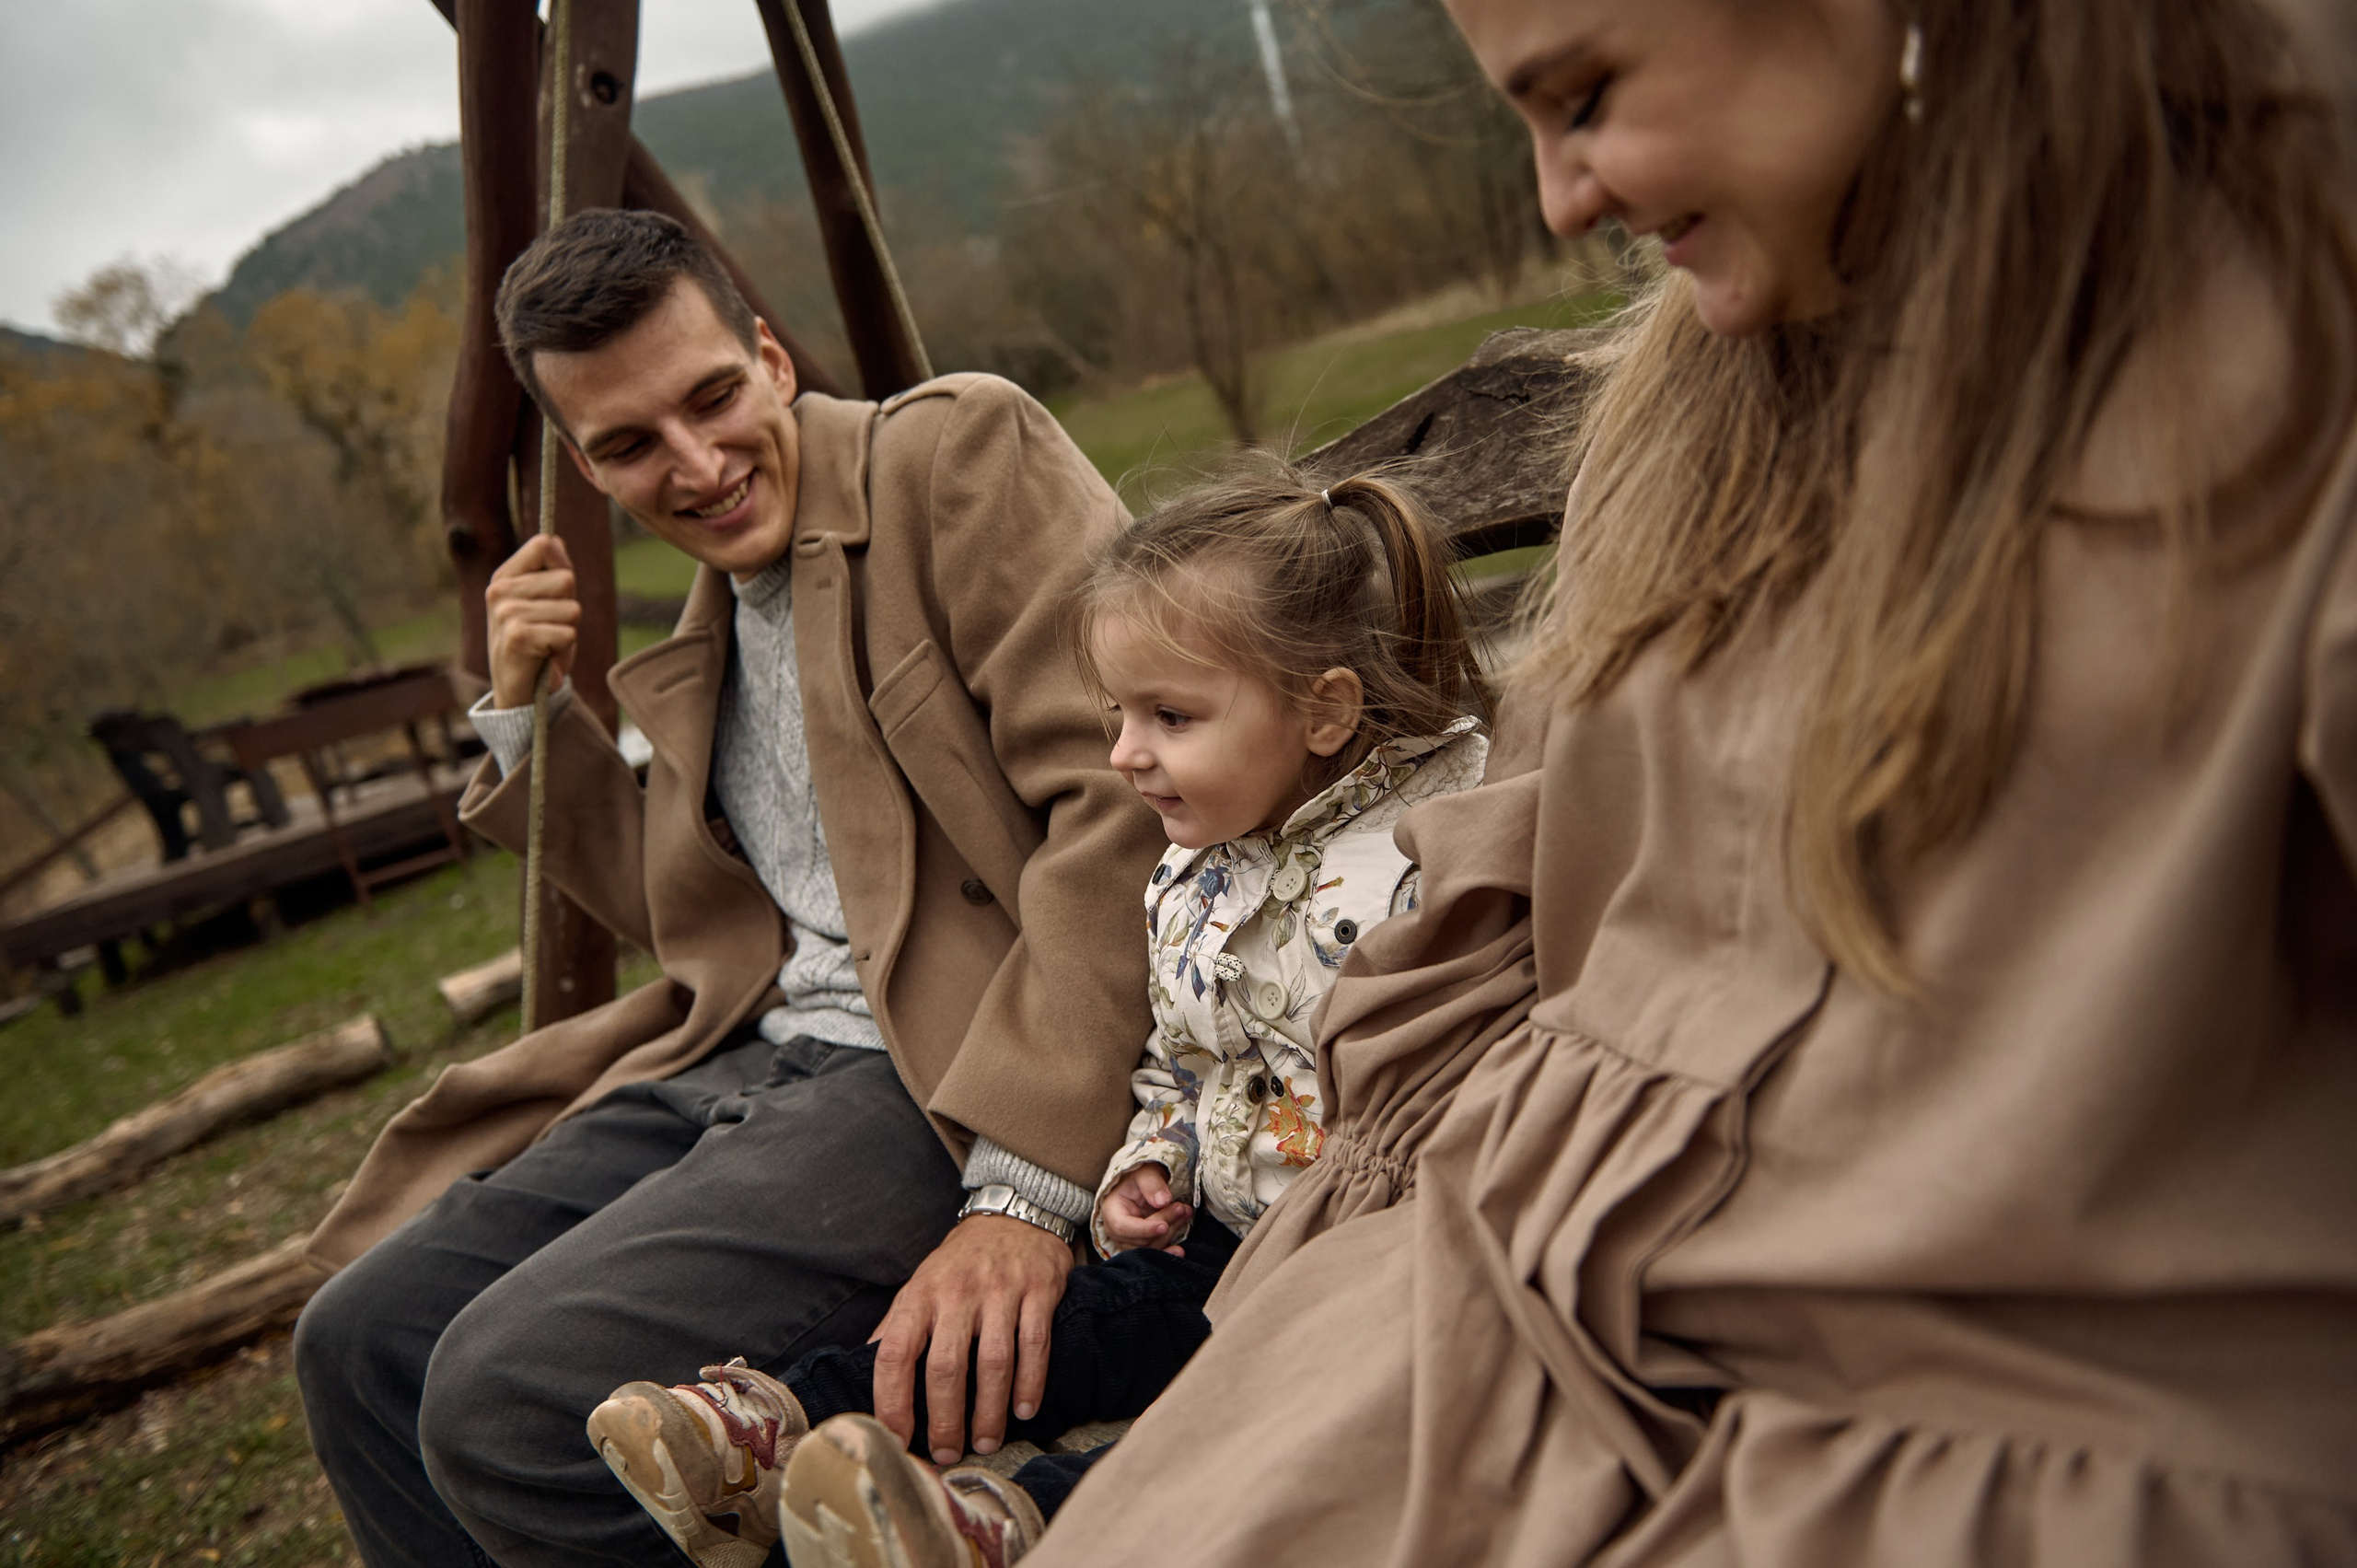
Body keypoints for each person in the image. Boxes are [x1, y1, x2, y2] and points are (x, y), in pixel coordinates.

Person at [1017, 1, 2357, 1565]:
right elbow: (1554, 866)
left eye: (1584, 96)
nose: (1559, 200)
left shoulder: (2272, 322)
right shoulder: (1697, 398)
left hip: (1963, 1388)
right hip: (1498, 1264)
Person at [289, 208, 1171, 1568]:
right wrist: (525, 714)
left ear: (767, 354)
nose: (695, 467)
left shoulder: (952, 455)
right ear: (584, 463)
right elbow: (701, 913)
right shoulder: (713, 622)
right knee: (359, 1340)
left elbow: (1120, 805)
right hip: (750, 1051)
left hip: (938, 1064)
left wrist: (1021, 1189)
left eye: (711, 398)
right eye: (630, 445)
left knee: (501, 1400)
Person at [579, 465, 1492, 1567]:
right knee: (1068, 1330)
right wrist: (1144, 1165)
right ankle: (776, 1432)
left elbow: (1471, 1067)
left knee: (1241, 1415)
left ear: (1325, 708)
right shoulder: (1194, 870)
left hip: (1362, 1266)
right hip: (1219, 1238)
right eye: (1116, 714)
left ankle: (1013, 1524)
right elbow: (1179, 1059)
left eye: (1169, 716)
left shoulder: (1435, 855)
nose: (1123, 754)